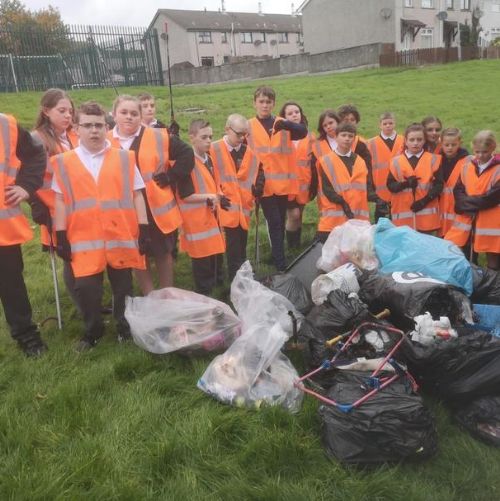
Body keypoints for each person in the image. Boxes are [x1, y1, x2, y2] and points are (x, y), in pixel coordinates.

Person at [51, 101, 150, 351]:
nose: (93, 131)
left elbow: (138, 194)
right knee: (86, 289)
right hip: (84, 239)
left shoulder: (125, 158)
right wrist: (60, 235)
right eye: (87, 126)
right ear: (77, 129)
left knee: (123, 287)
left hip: (120, 236)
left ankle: (124, 326)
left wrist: (144, 228)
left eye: (98, 125)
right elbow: (60, 199)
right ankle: (93, 329)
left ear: (106, 127)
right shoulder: (63, 162)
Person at [109, 95, 194, 295]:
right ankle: (149, 296)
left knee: (162, 253)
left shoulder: (158, 136)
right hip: (125, 209)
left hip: (155, 207)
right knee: (139, 254)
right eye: (124, 112)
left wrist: (170, 176)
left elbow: (186, 154)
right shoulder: (105, 141)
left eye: (134, 113)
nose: (129, 117)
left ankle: (167, 294)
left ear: (140, 116)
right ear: (114, 115)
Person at [0, 112, 48, 356]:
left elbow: (36, 154)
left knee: (11, 285)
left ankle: (26, 336)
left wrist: (26, 186)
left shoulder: (6, 125)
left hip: (3, 230)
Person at [30, 88, 81, 308]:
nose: (68, 115)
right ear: (46, 111)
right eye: (62, 111)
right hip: (54, 210)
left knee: (84, 255)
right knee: (70, 258)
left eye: (70, 111)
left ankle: (90, 300)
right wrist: (34, 202)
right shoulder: (36, 140)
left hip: (79, 208)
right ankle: (83, 306)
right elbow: (25, 176)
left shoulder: (73, 136)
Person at [247, 86, 307, 271]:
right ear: (255, 103)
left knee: (280, 220)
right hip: (262, 185)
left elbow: (302, 132)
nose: (265, 105)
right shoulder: (249, 126)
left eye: (268, 102)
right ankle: (280, 263)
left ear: (273, 103)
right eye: (261, 102)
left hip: (282, 184)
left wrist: (287, 125)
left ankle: (278, 255)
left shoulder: (281, 122)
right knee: (274, 221)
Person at [210, 114, 263, 282]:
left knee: (240, 245)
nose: (242, 138)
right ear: (227, 129)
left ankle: (240, 277)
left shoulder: (249, 153)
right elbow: (206, 176)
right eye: (238, 134)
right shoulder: (213, 149)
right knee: (227, 246)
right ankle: (232, 280)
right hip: (222, 207)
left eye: (245, 134)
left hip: (243, 209)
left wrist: (260, 185)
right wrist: (216, 195)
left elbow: (258, 172)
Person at [179, 119, 225, 294]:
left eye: (211, 137)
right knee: (202, 259)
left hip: (211, 217)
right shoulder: (187, 162)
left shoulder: (209, 158)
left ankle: (218, 284)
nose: (208, 141)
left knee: (215, 253)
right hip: (196, 221)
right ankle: (205, 292)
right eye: (204, 137)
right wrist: (211, 197)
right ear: (192, 138)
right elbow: (185, 195)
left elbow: (213, 184)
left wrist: (219, 196)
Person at [446, 130, 500, 270]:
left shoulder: (498, 170)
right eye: (477, 152)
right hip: (468, 221)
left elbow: (491, 198)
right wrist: (462, 203)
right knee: (467, 256)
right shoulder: (466, 167)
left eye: (485, 152)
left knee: (493, 261)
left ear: (493, 148)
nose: (480, 155)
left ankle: (493, 288)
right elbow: (458, 190)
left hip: (491, 224)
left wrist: (464, 205)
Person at [315, 122, 369, 243]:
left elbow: (365, 187)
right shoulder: (326, 161)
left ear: (354, 139)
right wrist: (343, 203)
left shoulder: (360, 161)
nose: (347, 139)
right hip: (333, 219)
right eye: (343, 135)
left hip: (357, 218)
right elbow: (327, 189)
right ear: (336, 137)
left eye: (350, 136)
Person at [387, 123, 443, 234]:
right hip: (403, 217)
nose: (415, 143)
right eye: (412, 140)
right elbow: (390, 185)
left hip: (426, 217)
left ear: (424, 141)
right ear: (406, 141)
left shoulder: (433, 160)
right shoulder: (395, 161)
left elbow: (439, 185)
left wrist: (423, 202)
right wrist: (405, 184)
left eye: (419, 139)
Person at [279, 101, 314, 249]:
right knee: (293, 215)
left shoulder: (309, 136)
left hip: (304, 184)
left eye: (297, 112)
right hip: (287, 186)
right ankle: (291, 247)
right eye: (290, 113)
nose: (294, 115)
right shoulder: (281, 136)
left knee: (299, 215)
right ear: (284, 117)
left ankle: (297, 245)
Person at [367, 112, 405, 222]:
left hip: (399, 188)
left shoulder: (404, 140)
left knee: (398, 221)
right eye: (385, 123)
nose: (388, 126)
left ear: (395, 124)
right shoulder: (370, 143)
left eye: (390, 123)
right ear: (380, 125)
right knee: (380, 222)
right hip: (380, 189)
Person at [438, 127, 470, 237]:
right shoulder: (436, 160)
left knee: (463, 242)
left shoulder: (468, 161)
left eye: (453, 144)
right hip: (442, 210)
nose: (450, 148)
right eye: (446, 145)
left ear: (460, 143)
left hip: (460, 208)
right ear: (441, 143)